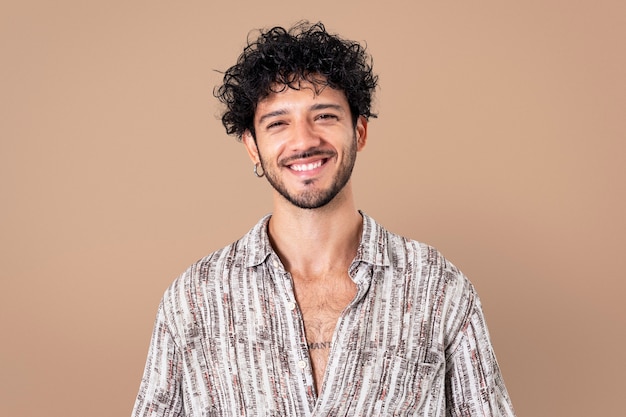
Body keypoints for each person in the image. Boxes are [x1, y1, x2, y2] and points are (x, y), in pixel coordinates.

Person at [132, 21, 516, 416]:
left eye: (325, 116)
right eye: (278, 123)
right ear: (252, 147)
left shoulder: (437, 289)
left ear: (360, 131)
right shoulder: (194, 300)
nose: (303, 140)